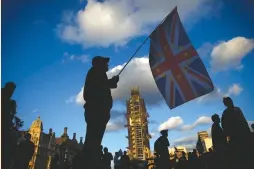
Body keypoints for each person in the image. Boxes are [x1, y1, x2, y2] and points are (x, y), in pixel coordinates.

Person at [82, 56, 119, 169]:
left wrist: (112, 81)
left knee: (95, 139)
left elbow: (103, 85)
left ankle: (91, 159)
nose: (107, 65)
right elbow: (101, 87)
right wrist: (112, 82)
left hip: (99, 112)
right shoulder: (96, 72)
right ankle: (89, 162)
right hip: (96, 112)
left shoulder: (98, 74)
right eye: (105, 63)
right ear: (100, 64)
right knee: (94, 139)